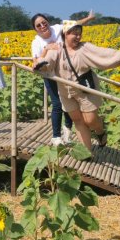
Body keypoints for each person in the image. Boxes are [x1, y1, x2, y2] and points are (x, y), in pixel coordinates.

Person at [36, 20, 120, 155]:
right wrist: (41, 63)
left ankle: (100, 132)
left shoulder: (85, 48)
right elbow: (48, 62)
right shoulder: (57, 49)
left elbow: (103, 54)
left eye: (79, 34)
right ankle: (87, 153)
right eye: (74, 34)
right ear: (65, 33)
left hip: (85, 89)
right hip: (66, 92)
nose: (78, 37)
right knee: (78, 121)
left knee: (90, 120)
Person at [31, 10, 95, 145]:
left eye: (44, 22)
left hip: (66, 73)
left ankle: (67, 130)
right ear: (35, 29)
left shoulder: (57, 29)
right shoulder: (36, 42)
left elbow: (74, 24)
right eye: (38, 25)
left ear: (48, 22)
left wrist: (89, 18)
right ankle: (56, 136)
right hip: (50, 75)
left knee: (69, 103)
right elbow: (36, 61)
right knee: (57, 104)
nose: (42, 26)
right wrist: (47, 48)